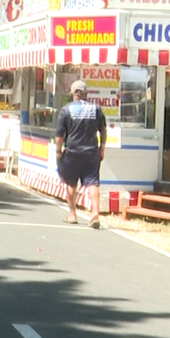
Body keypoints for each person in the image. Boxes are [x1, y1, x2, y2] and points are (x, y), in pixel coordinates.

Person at [55, 79, 107, 229]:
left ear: (72, 93)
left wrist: (58, 151)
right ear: (86, 93)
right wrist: (102, 148)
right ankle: (95, 213)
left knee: (71, 183)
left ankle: (72, 214)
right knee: (92, 182)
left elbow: (59, 135)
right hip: (91, 152)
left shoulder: (66, 110)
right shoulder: (96, 109)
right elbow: (103, 129)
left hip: (72, 152)